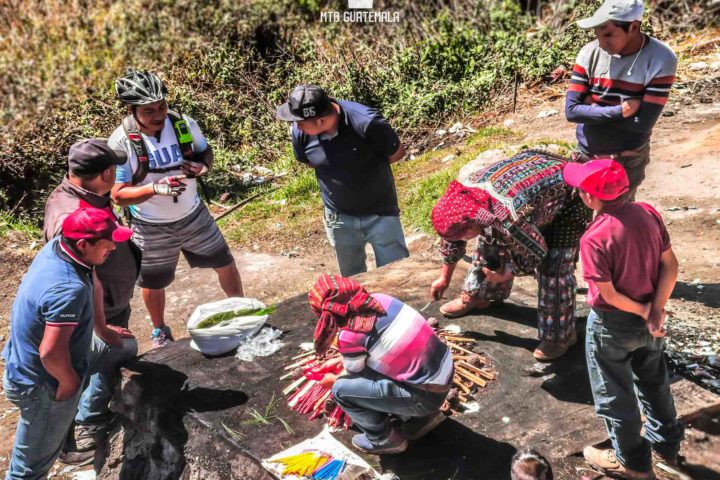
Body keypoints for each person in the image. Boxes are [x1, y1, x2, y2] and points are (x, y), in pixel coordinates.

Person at [563, 159, 684, 480]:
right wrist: (655, 308)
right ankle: (667, 447)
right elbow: (670, 265)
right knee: (655, 383)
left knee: (614, 395)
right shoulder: (648, 213)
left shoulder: (594, 237)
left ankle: (633, 464)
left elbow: (609, 294)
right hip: (650, 318)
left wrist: (646, 311)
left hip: (611, 325)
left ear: (589, 198)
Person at [109, 69, 244, 348]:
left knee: (225, 263)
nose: (159, 115)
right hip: (150, 224)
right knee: (153, 282)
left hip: (194, 215)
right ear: (132, 110)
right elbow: (118, 195)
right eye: (149, 111)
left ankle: (243, 310)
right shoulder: (122, 142)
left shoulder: (183, 124)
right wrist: (155, 189)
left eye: (162, 106)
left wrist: (202, 167)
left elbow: (205, 152)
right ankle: (159, 330)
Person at [2, 208, 137, 479]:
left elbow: (94, 279)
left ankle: (87, 420)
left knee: (124, 346)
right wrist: (69, 382)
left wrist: (102, 328)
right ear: (83, 244)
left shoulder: (60, 247)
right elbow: (50, 352)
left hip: (60, 358)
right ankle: (58, 435)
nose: (114, 245)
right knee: (29, 469)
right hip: (43, 382)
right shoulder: (67, 288)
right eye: (108, 241)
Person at [430, 150, 591, 361]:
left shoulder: (508, 218)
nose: (461, 239)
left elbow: (536, 253)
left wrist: (507, 272)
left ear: (471, 225)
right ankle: (481, 294)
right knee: (489, 241)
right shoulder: (464, 204)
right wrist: (444, 278)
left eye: (463, 236)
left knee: (554, 268)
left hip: (567, 201)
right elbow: (453, 239)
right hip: (527, 206)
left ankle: (561, 335)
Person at [43, 139, 141, 463]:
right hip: (98, 306)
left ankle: (94, 415)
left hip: (110, 297)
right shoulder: (70, 214)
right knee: (96, 358)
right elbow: (75, 274)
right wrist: (99, 323)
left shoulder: (80, 193)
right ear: (107, 172)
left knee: (107, 359)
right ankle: (87, 427)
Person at [309, 275, 453, 454]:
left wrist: (333, 380)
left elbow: (353, 373)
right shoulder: (382, 299)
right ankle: (422, 419)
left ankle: (384, 440)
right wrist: (341, 359)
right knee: (385, 367)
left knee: (341, 390)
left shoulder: (350, 335)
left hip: (425, 396)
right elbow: (384, 347)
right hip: (444, 373)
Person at [277, 84, 409, 277]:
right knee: (352, 280)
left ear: (320, 120)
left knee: (397, 274)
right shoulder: (300, 134)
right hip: (338, 218)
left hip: (382, 214)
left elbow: (397, 153)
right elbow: (309, 161)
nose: (296, 126)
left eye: (300, 122)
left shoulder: (366, 122)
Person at [566, 0, 677, 200]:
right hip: (587, 154)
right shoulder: (589, 53)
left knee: (617, 221)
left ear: (633, 27)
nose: (601, 43)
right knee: (581, 221)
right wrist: (619, 111)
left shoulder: (661, 59)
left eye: (608, 35)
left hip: (626, 160)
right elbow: (572, 111)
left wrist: (591, 108)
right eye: (597, 35)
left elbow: (641, 124)